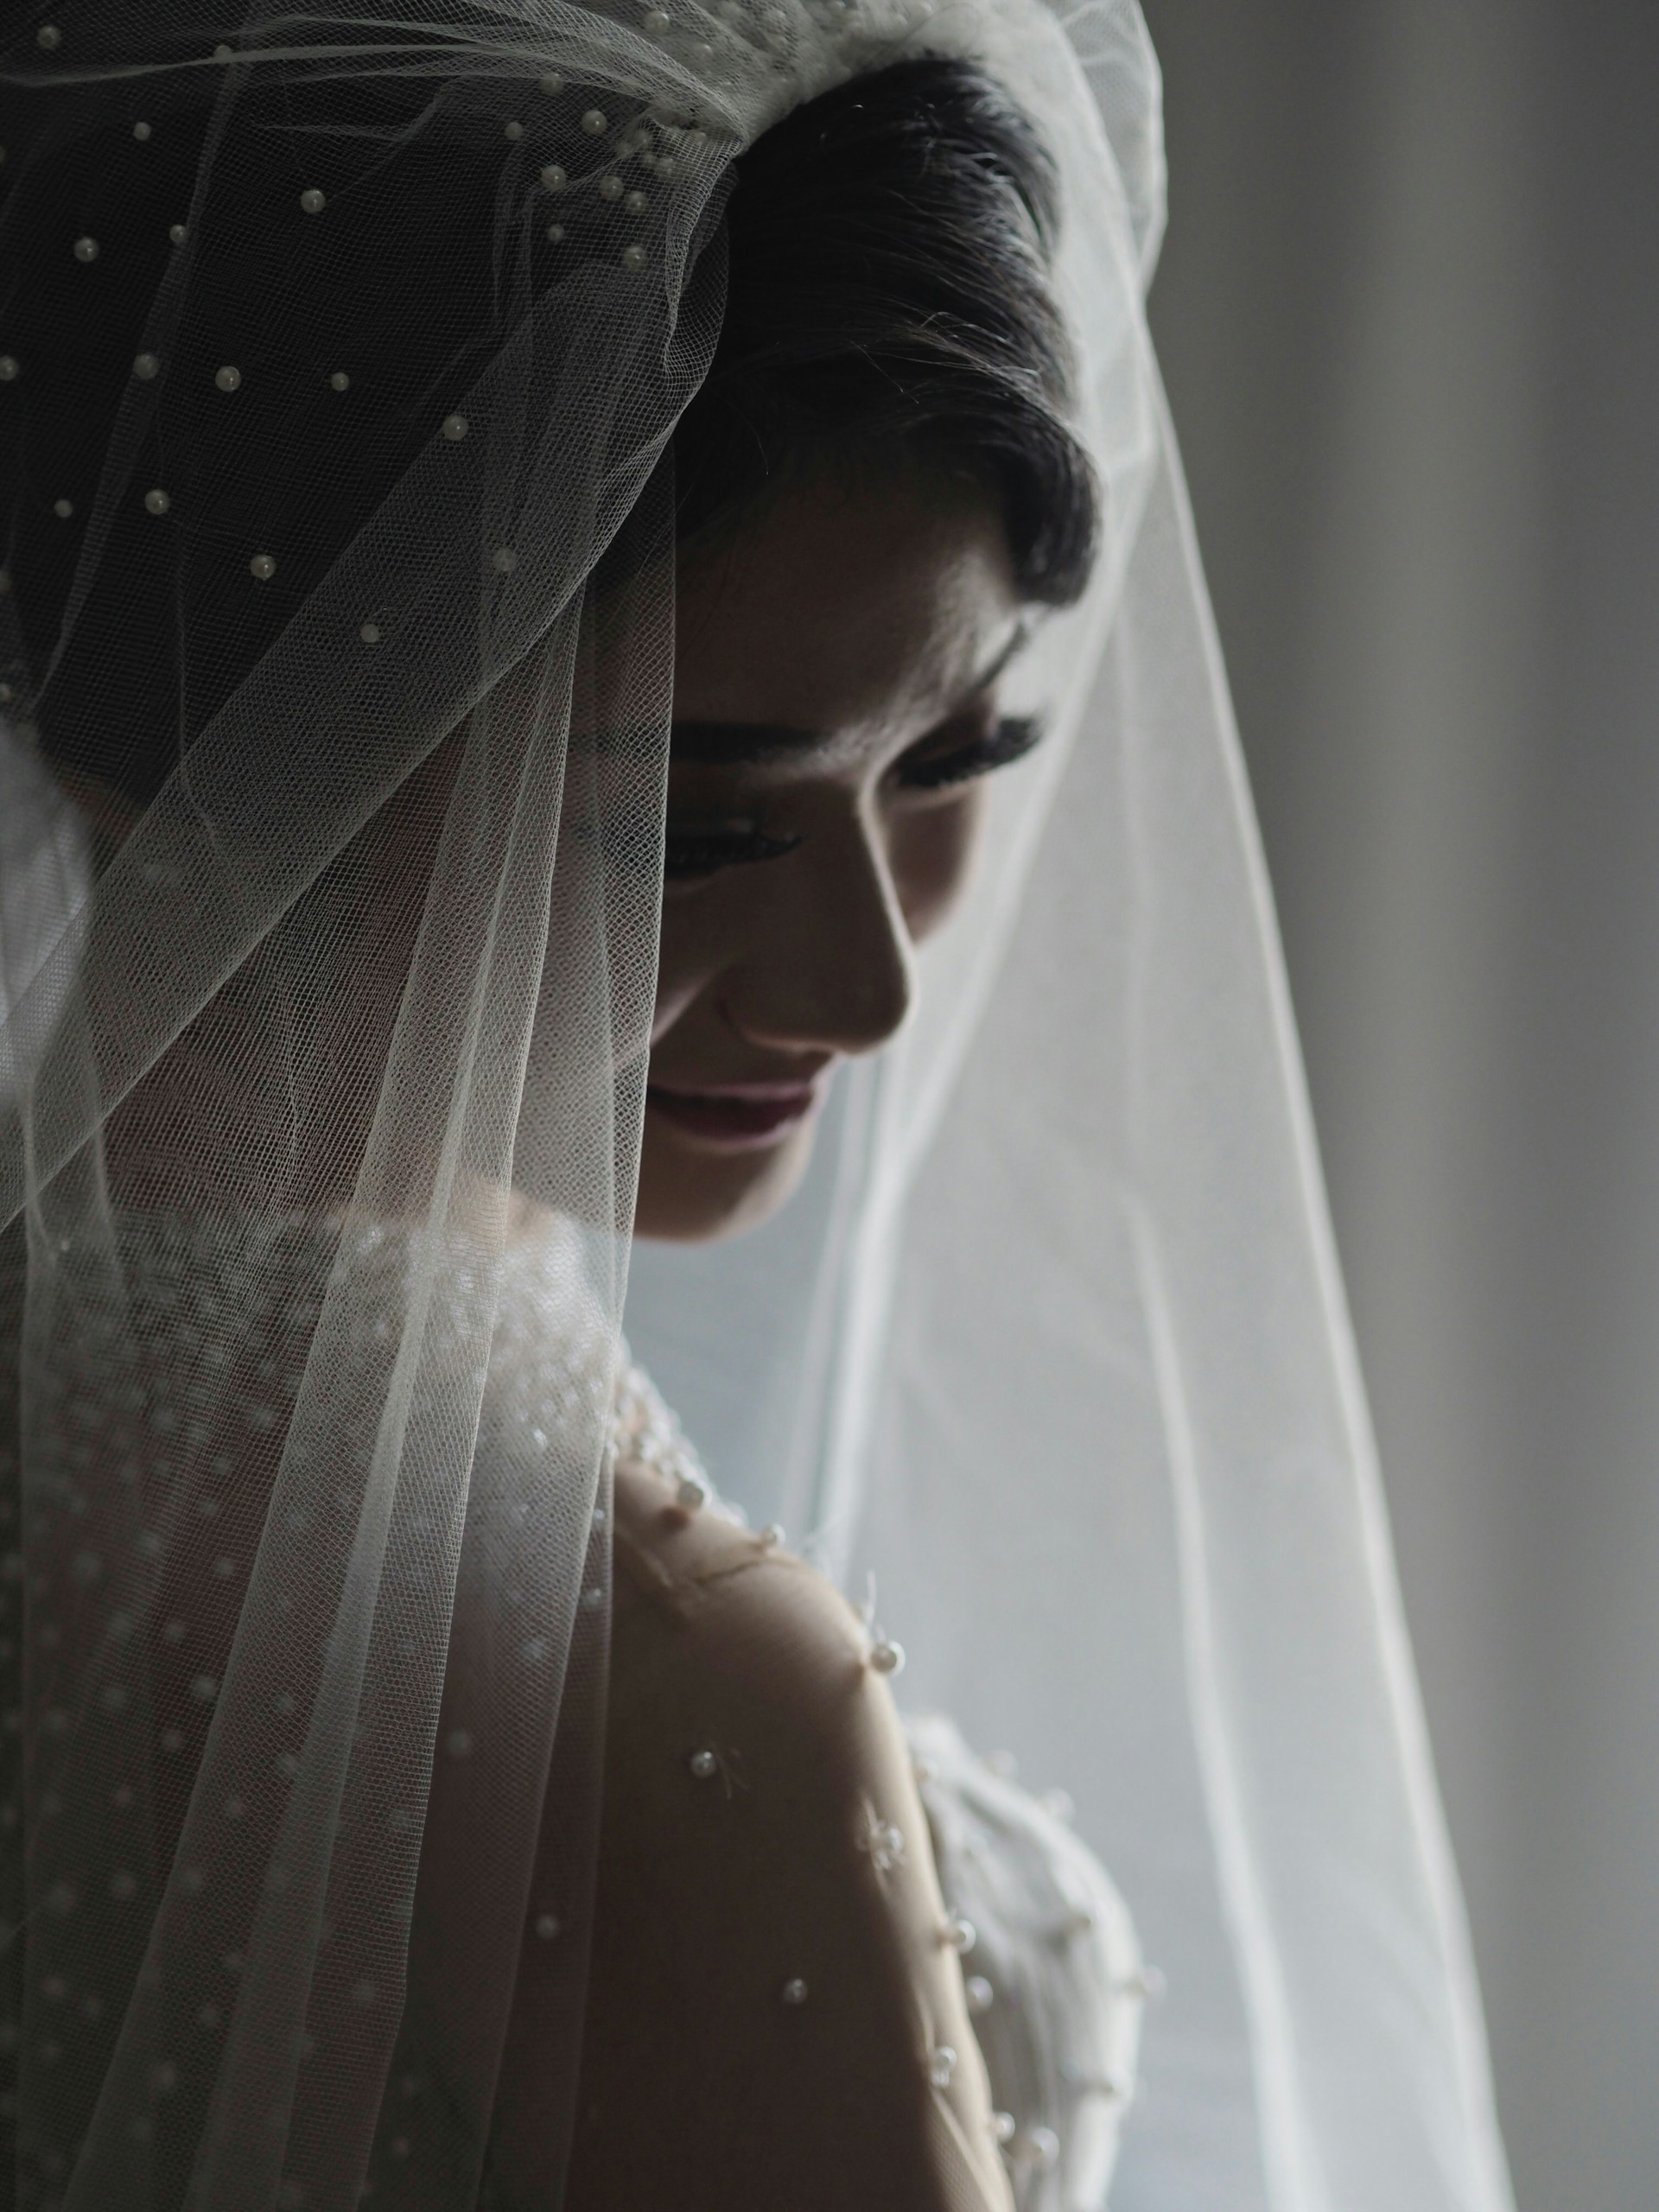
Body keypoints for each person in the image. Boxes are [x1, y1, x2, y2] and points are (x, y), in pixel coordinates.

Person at [0, 3, 1516, 2209]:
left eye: (957, 755)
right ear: (226, 740)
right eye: (692, 828)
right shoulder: (654, 1683)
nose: (872, 982)